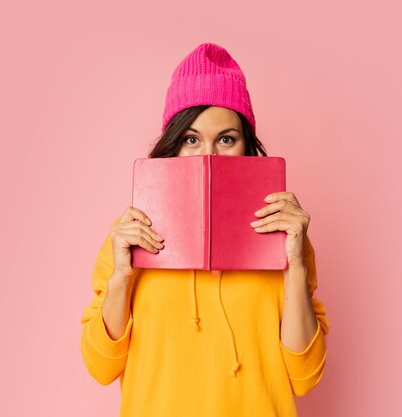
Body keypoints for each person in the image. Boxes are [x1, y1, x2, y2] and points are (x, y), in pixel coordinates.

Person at [80, 42, 330, 417]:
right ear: (172, 146)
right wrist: (121, 277)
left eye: (226, 139)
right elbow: (101, 368)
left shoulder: (285, 232)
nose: (208, 155)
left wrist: (294, 267)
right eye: (191, 139)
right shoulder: (129, 234)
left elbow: (305, 377)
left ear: (246, 145)